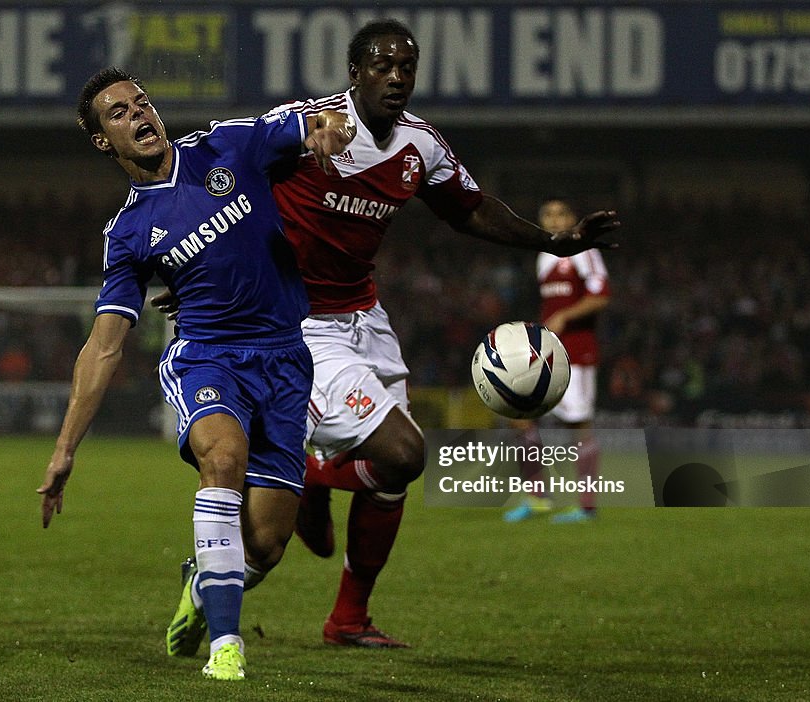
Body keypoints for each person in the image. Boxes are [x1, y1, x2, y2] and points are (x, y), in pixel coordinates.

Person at [265, 20, 619, 647]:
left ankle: (347, 617)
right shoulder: (308, 126)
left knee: (392, 474)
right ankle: (313, 475)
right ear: (354, 73)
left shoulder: (418, 146)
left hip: (365, 317)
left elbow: (471, 208)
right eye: (382, 65)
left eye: (407, 66)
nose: (397, 76)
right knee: (406, 451)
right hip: (300, 323)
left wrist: (554, 242)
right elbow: (227, 172)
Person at [36, 67, 354, 682]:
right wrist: (64, 449)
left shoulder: (225, 147)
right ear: (104, 140)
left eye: (142, 102)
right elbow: (103, 348)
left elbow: (315, 119)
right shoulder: (127, 234)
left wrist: (327, 130)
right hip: (208, 358)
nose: (139, 115)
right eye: (119, 113)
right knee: (223, 459)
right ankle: (227, 648)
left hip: (288, 360)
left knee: (265, 544)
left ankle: (202, 584)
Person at [503, 198, 612, 524]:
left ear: (573, 218)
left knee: (577, 426)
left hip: (577, 352)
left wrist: (565, 314)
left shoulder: (585, 252)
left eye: (561, 213)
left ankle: (587, 506)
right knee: (520, 416)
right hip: (547, 351)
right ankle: (537, 497)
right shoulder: (544, 257)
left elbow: (600, 296)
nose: (553, 220)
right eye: (547, 214)